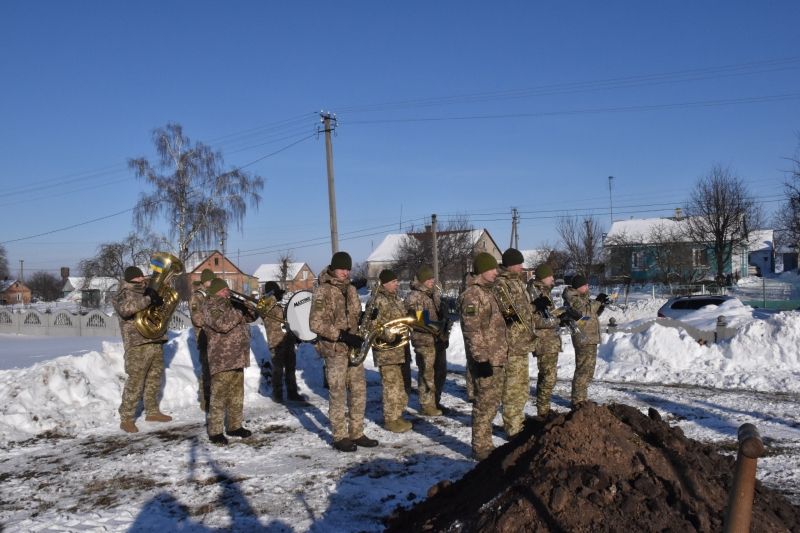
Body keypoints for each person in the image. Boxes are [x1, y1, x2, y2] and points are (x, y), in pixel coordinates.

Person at [309, 251, 379, 452]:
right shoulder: (322, 291)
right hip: (335, 349)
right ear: (333, 268)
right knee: (338, 392)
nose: (345, 272)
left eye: (348, 269)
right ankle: (340, 436)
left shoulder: (351, 290)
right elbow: (315, 323)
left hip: (353, 349)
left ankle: (357, 432)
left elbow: (356, 316)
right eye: (342, 268)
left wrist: (368, 315)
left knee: (359, 391)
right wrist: (341, 335)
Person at [458, 252, 509, 461]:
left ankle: (486, 443)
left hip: (496, 358)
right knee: (483, 404)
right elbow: (472, 330)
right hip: (485, 359)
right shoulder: (473, 295)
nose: (496, 272)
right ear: (481, 271)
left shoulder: (491, 292)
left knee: (492, 403)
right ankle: (480, 447)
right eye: (492, 269)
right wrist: (481, 359)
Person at [114, 266, 172, 433]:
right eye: (138, 278)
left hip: (154, 340)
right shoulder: (124, 294)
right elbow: (126, 310)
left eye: (141, 277)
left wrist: (160, 302)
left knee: (154, 379)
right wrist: (148, 299)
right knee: (135, 382)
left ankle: (152, 412)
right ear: (130, 279)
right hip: (137, 343)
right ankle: (126, 418)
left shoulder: (148, 290)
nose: (142, 279)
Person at [201, 278, 258, 445]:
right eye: (223, 290)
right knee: (219, 396)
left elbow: (252, 317)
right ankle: (215, 431)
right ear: (215, 292)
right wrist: (238, 310)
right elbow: (222, 324)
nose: (227, 292)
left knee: (236, 395)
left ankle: (234, 426)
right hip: (222, 359)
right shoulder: (210, 306)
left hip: (237, 357)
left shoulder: (231, 304)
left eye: (227, 289)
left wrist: (247, 306)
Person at [494, 248, 537, 438]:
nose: (522, 267)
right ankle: (512, 426)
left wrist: (535, 307)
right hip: (511, 344)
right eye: (519, 264)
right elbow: (509, 313)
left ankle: (518, 419)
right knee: (512, 386)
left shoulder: (518, 283)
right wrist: (522, 331)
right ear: (510, 265)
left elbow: (524, 310)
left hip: (522, 344)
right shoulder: (501, 284)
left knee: (522, 385)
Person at [369, 269, 413, 432]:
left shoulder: (396, 299)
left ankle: (397, 415)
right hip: (387, 352)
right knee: (391, 387)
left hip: (401, 350)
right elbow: (371, 325)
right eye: (394, 281)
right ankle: (389, 419)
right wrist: (389, 336)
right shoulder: (377, 301)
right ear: (385, 284)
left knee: (401, 385)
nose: (397, 284)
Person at [406, 266, 449, 416]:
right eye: (429, 279)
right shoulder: (415, 297)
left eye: (433, 278)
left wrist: (443, 332)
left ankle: (435, 401)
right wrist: (438, 327)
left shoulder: (434, 294)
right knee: (427, 372)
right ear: (423, 281)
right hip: (424, 340)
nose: (432, 281)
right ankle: (426, 404)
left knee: (440, 372)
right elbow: (419, 321)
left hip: (437, 339)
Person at [562, 275, 606, 407]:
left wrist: (601, 305)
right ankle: (577, 401)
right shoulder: (572, 299)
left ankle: (582, 398)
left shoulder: (583, 298)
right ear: (578, 287)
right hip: (583, 338)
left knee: (588, 371)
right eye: (585, 285)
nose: (587, 287)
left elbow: (591, 315)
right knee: (582, 370)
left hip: (590, 337)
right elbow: (584, 313)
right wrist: (597, 302)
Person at [262, 281, 307, 404]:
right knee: (278, 369)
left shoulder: (281, 304)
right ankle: (277, 394)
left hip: (288, 339)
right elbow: (260, 310)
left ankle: (292, 392)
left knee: (290, 367)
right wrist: (271, 297)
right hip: (276, 342)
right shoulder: (265, 303)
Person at [529, 264, 563, 416]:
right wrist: (556, 320)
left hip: (551, 341)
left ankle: (544, 407)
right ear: (543, 277)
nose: (553, 278)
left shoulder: (546, 292)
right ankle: (542, 410)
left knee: (550, 377)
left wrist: (561, 317)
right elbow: (532, 320)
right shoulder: (533, 292)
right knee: (547, 377)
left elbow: (548, 315)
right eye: (550, 276)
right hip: (543, 342)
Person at [190, 268, 216, 412]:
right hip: (204, 338)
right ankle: (205, 400)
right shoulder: (197, 297)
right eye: (210, 280)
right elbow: (197, 318)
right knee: (206, 370)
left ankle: (216, 398)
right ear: (204, 281)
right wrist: (215, 319)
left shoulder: (212, 295)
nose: (212, 283)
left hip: (216, 338)